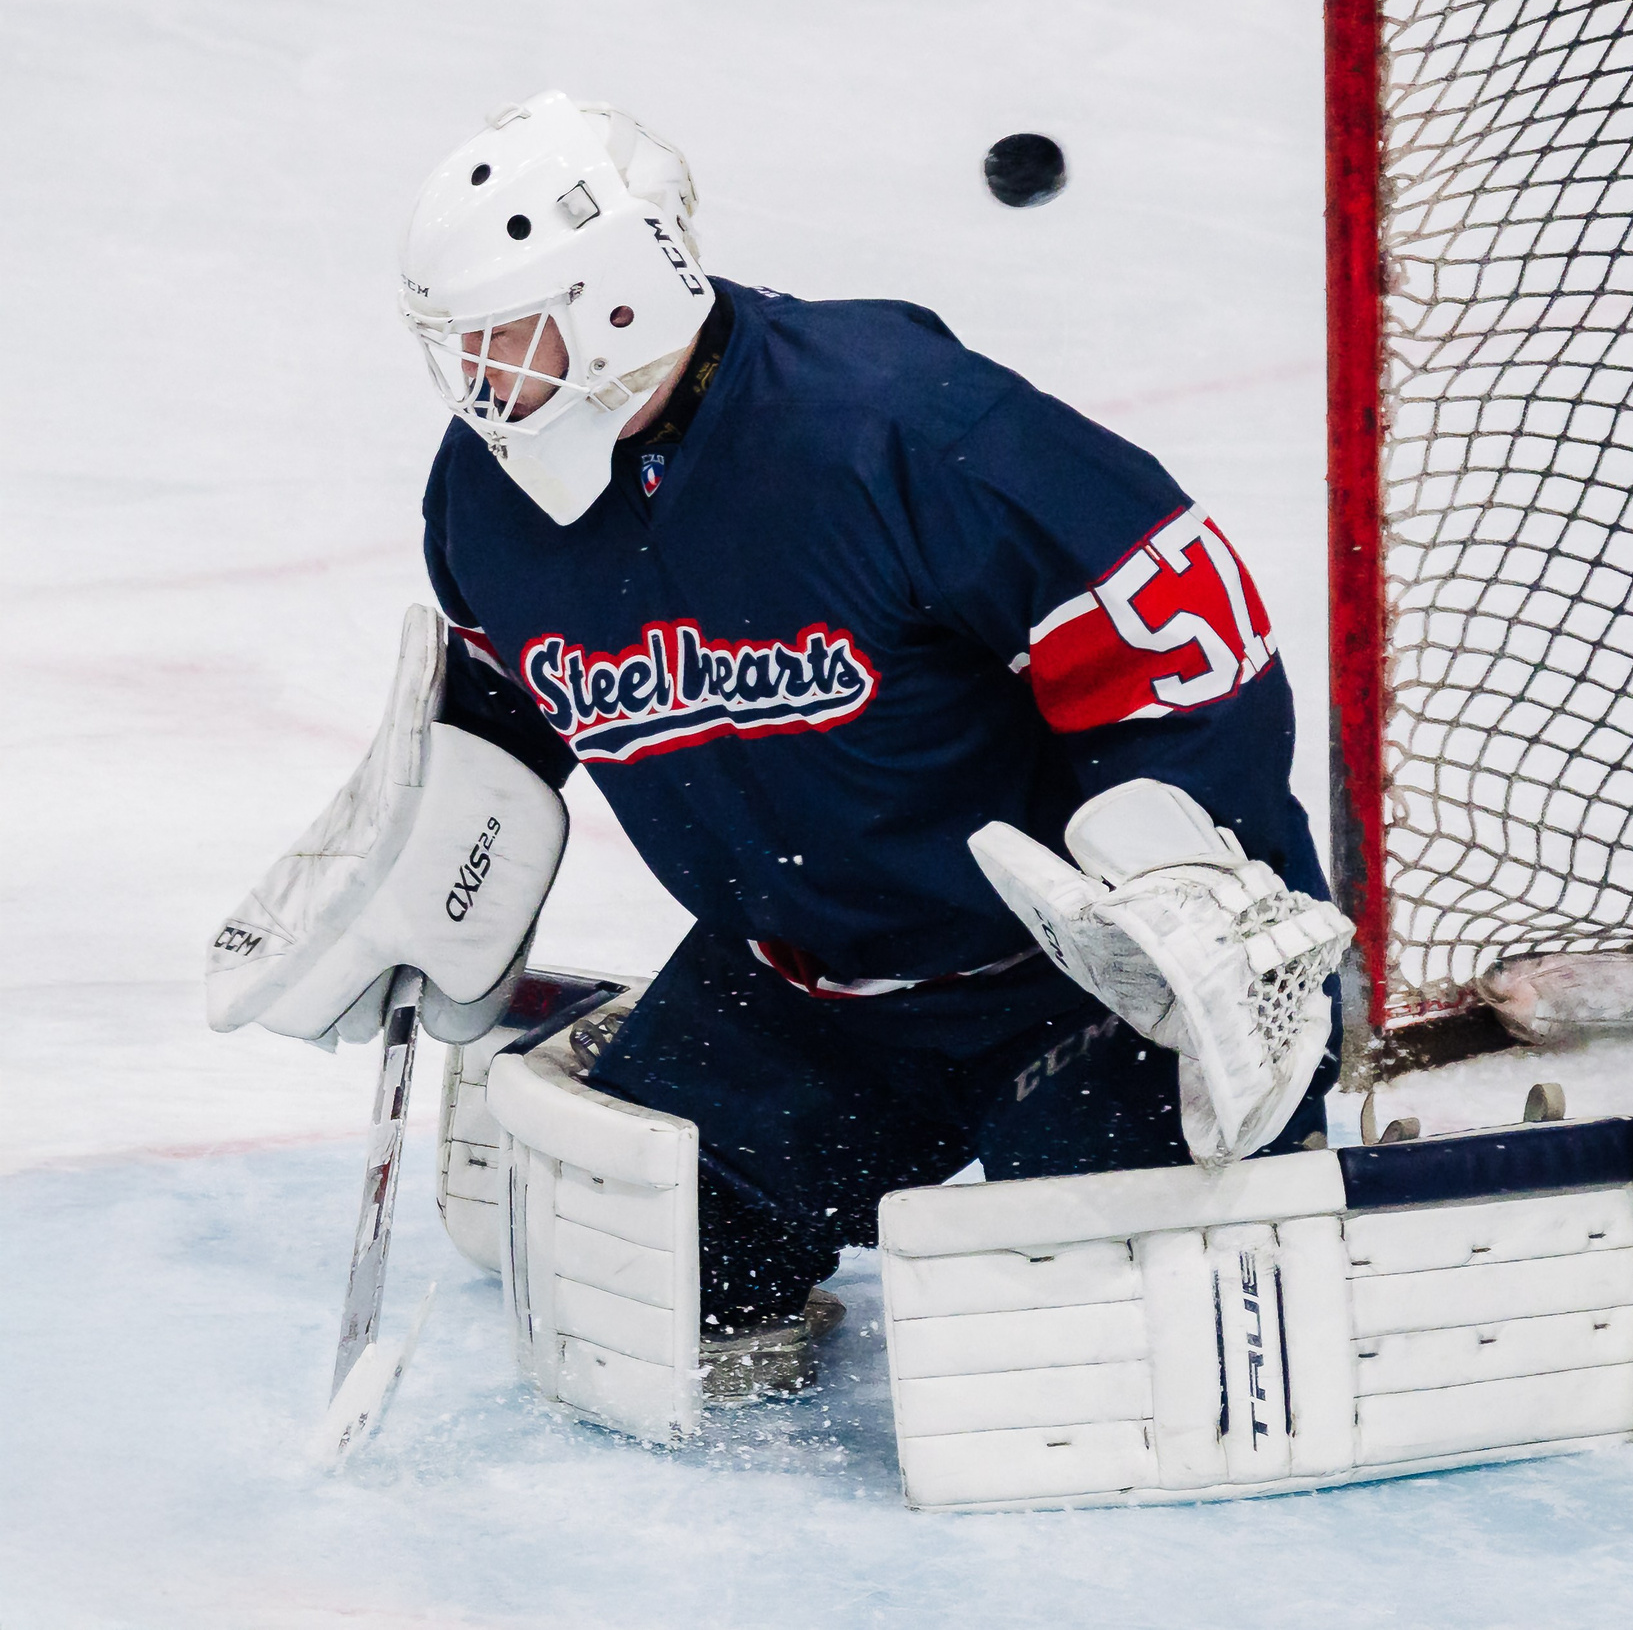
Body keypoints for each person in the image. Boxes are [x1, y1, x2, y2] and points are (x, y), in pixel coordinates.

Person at [396, 92, 1337, 1363]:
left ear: (619, 298)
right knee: (647, 1294)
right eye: (461, 350)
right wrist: (422, 854)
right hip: (813, 988)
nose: (481, 387)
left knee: (1112, 1337)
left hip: (1088, 988)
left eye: (508, 343)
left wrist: (1177, 863)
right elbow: (508, 691)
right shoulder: (483, 500)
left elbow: (1179, 636)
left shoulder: (898, 424)